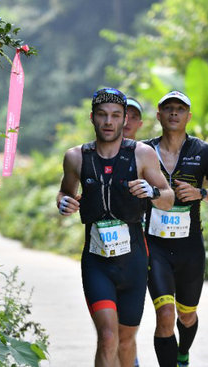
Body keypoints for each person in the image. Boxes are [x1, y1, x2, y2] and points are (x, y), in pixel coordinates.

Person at [57, 88, 174, 367]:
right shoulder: (76, 157)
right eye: (102, 115)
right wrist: (64, 204)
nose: (108, 122)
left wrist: (152, 192)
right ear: (92, 118)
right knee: (107, 337)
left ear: (124, 120)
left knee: (125, 342)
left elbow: (168, 198)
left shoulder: (142, 155)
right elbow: (64, 192)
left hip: (134, 260)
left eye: (115, 116)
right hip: (97, 263)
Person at [143, 90, 208, 367]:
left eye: (180, 109)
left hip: (190, 247)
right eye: (168, 108)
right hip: (154, 245)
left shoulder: (202, 151)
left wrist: (200, 193)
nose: (174, 113)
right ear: (159, 115)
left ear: (188, 117)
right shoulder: (143, 150)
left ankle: (183, 354)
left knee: (186, 315)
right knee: (165, 314)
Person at [123, 96, 144, 367]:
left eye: (131, 116)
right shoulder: (93, 154)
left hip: (147, 246)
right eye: (120, 114)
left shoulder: (146, 153)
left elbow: (166, 194)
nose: (125, 121)